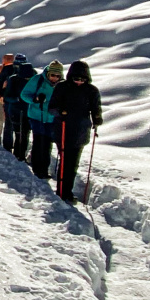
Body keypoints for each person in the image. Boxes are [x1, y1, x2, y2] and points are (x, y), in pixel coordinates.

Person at [49, 60, 103, 203]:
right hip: (63, 129)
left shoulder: (91, 91)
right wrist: (60, 112)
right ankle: (61, 190)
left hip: (80, 131)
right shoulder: (62, 87)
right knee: (65, 161)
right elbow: (52, 107)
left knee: (73, 163)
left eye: (82, 79)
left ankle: (68, 191)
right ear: (70, 76)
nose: (79, 82)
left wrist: (97, 119)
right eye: (76, 79)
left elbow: (96, 108)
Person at [21, 60, 64, 181]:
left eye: (57, 76)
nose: (54, 78)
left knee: (47, 143)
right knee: (39, 141)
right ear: (48, 73)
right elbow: (24, 94)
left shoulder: (62, 85)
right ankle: (37, 168)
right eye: (52, 75)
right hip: (36, 116)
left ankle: (43, 169)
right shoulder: (38, 79)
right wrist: (35, 99)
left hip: (51, 118)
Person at [0, 53, 35, 160]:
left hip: (22, 105)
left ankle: (16, 151)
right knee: (10, 124)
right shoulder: (9, 71)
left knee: (19, 129)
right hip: (12, 104)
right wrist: (2, 91)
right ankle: (8, 147)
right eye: (18, 63)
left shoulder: (31, 72)